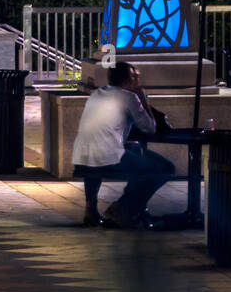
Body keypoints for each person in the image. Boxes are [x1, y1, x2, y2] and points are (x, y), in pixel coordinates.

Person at [72, 62, 174, 228]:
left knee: (134, 152)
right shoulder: (129, 97)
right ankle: (124, 208)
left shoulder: (98, 93)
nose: (138, 80)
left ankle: (91, 210)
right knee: (164, 168)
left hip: (82, 154)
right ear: (128, 80)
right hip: (108, 156)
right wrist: (142, 97)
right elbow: (150, 128)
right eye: (135, 76)